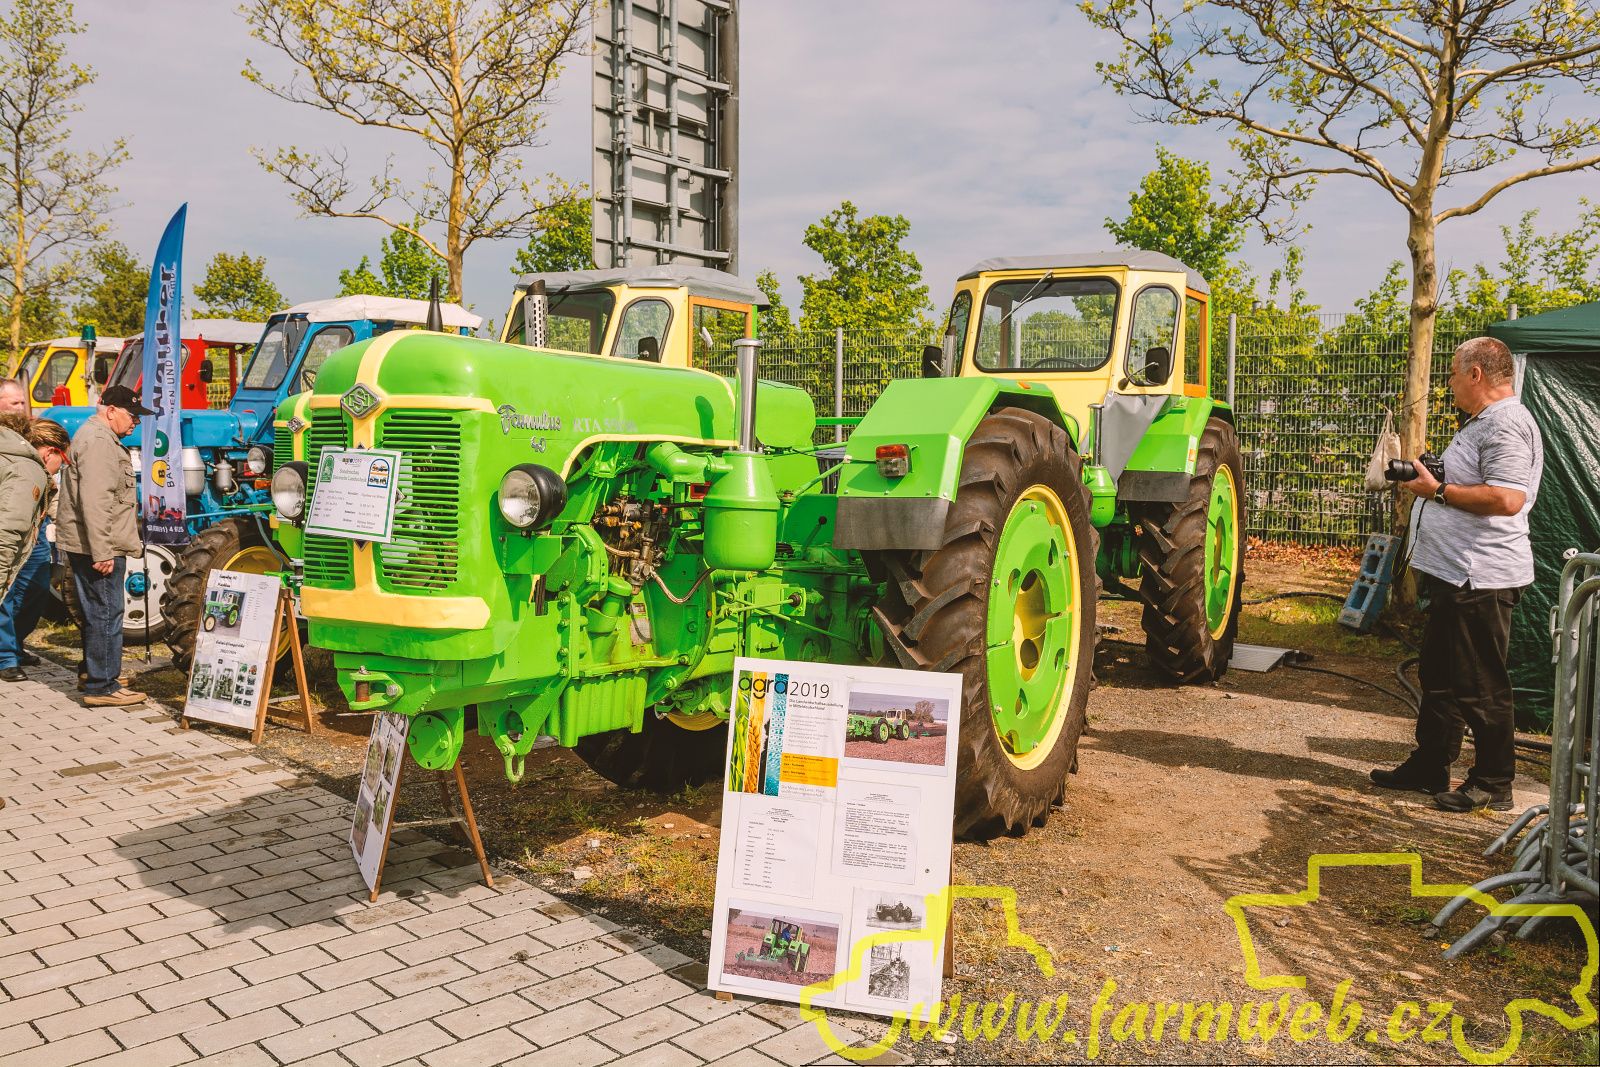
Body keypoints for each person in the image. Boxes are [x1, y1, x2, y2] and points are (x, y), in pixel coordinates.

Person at [1371, 336, 1544, 813]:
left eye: (1452, 373)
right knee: (1440, 675)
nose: (1448, 382)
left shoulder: (1506, 424)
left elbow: (1507, 498)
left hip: (1481, 576)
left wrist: (1438, 491)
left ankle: (1493, 782)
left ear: (1476, 374)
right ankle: (1431, 764)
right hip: (1457, 573)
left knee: (1480, 683)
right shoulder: (1482, 422)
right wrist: (1434, 479)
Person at [55, 384, 151, 707]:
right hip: (99, 544)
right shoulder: (99, 442)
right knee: (106, 612)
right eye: (132, 415)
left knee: (95, 611)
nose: (136, 422)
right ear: (111, 411)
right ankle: (103, 686)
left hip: (92, 542)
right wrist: (103, 551)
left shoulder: (97, 436)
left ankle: (94, 673)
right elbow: (96, 501)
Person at [1, 380, 58, 681]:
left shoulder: (28, 432)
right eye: (15, 403)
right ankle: (6, 656)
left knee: (37, 585)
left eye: (22, 402)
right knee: (7, 588)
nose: (21, 408)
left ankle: (15, 641)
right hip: (10, 519)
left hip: (36, 520)